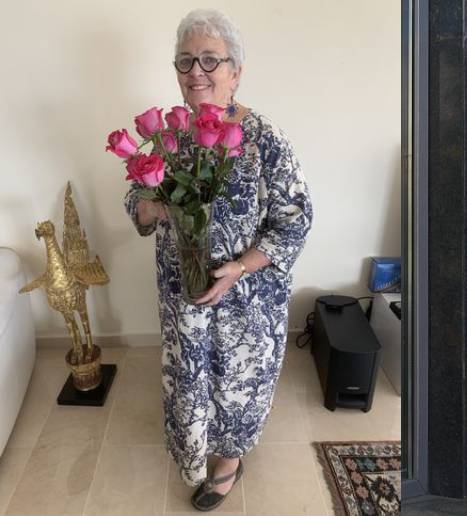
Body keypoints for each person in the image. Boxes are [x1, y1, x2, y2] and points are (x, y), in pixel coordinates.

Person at [123, 8, 312, 511]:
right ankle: (194, 447)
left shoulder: (263, 139)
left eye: (211, 60)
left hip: (246, 300)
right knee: (190, 379)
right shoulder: (169, 135)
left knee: (237, 386)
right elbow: (135, 202)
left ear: (236, 71)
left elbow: (296, 218)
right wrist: (151, 206)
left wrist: (241, 267)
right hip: (183, 296)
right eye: (186, 62)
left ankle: (228, 465)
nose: (196, 72)